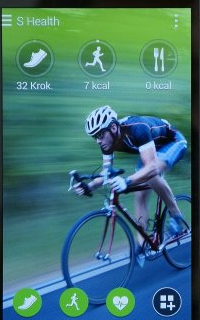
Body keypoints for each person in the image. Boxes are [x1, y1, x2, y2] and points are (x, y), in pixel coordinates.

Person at [73, 106, 188, 267]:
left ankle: (176, 217)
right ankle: (141, 244)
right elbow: (107, 173)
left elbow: (151, 168)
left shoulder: (137, 128)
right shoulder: (106, 141)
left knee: (150, 176)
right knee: (139, 195)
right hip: (150, 149)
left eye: (100, 135)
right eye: (95, 137)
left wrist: (126, 181)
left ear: (113, 128)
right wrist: (89, 186)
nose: (98, 140)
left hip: (173, 142)